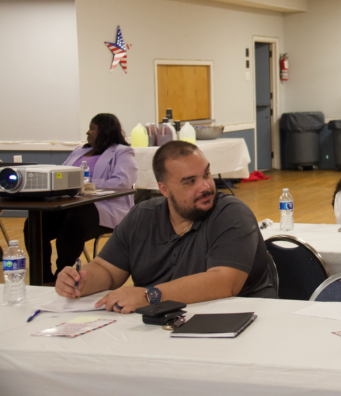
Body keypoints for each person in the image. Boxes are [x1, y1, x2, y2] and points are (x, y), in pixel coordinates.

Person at [55, 141, 278, 312]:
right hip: (167, 323)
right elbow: (107, 270)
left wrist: (149, 295)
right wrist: (82, 280)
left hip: (241, 319)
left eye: (207, 174)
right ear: (164, 190)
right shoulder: (142, 217)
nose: (205, 186)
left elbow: (223, 283)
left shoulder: (231, 214)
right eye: (190, 181)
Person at [25, 113, 138, 283]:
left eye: (92, 128)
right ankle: (42, 276)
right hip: (69, 203)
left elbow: (122, 182)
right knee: (36, 223)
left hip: (104, 206)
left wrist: (84, 184)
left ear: (104, 131)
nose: (88, 132)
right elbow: (61, 173)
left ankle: (62, 276)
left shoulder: (122, 152)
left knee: (73, 223)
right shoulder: (80, 150)